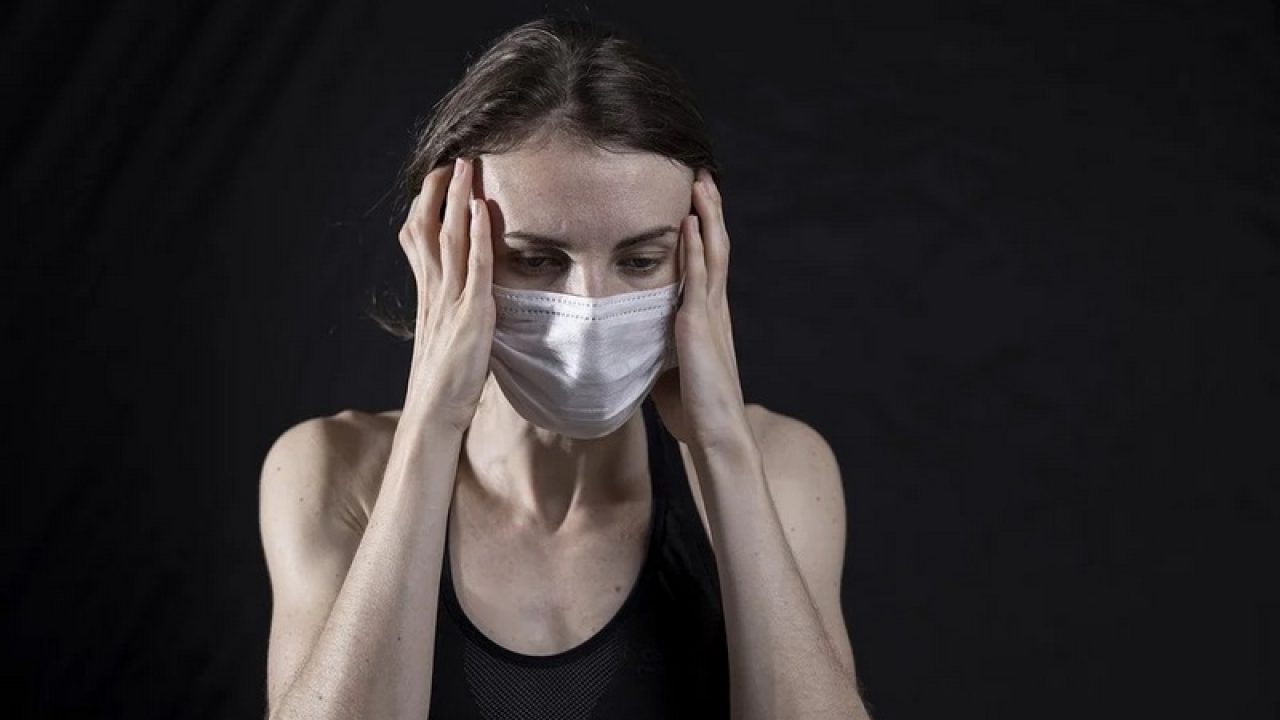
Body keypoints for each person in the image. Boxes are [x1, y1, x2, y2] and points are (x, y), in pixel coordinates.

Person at [258, 15, 870, 720]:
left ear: (701, 256)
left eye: (640, 259)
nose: (591, 309)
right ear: (444, 249)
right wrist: (433, 422)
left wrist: (722, 447)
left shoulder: (781, 469)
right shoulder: (332, 473)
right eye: (536, 260)